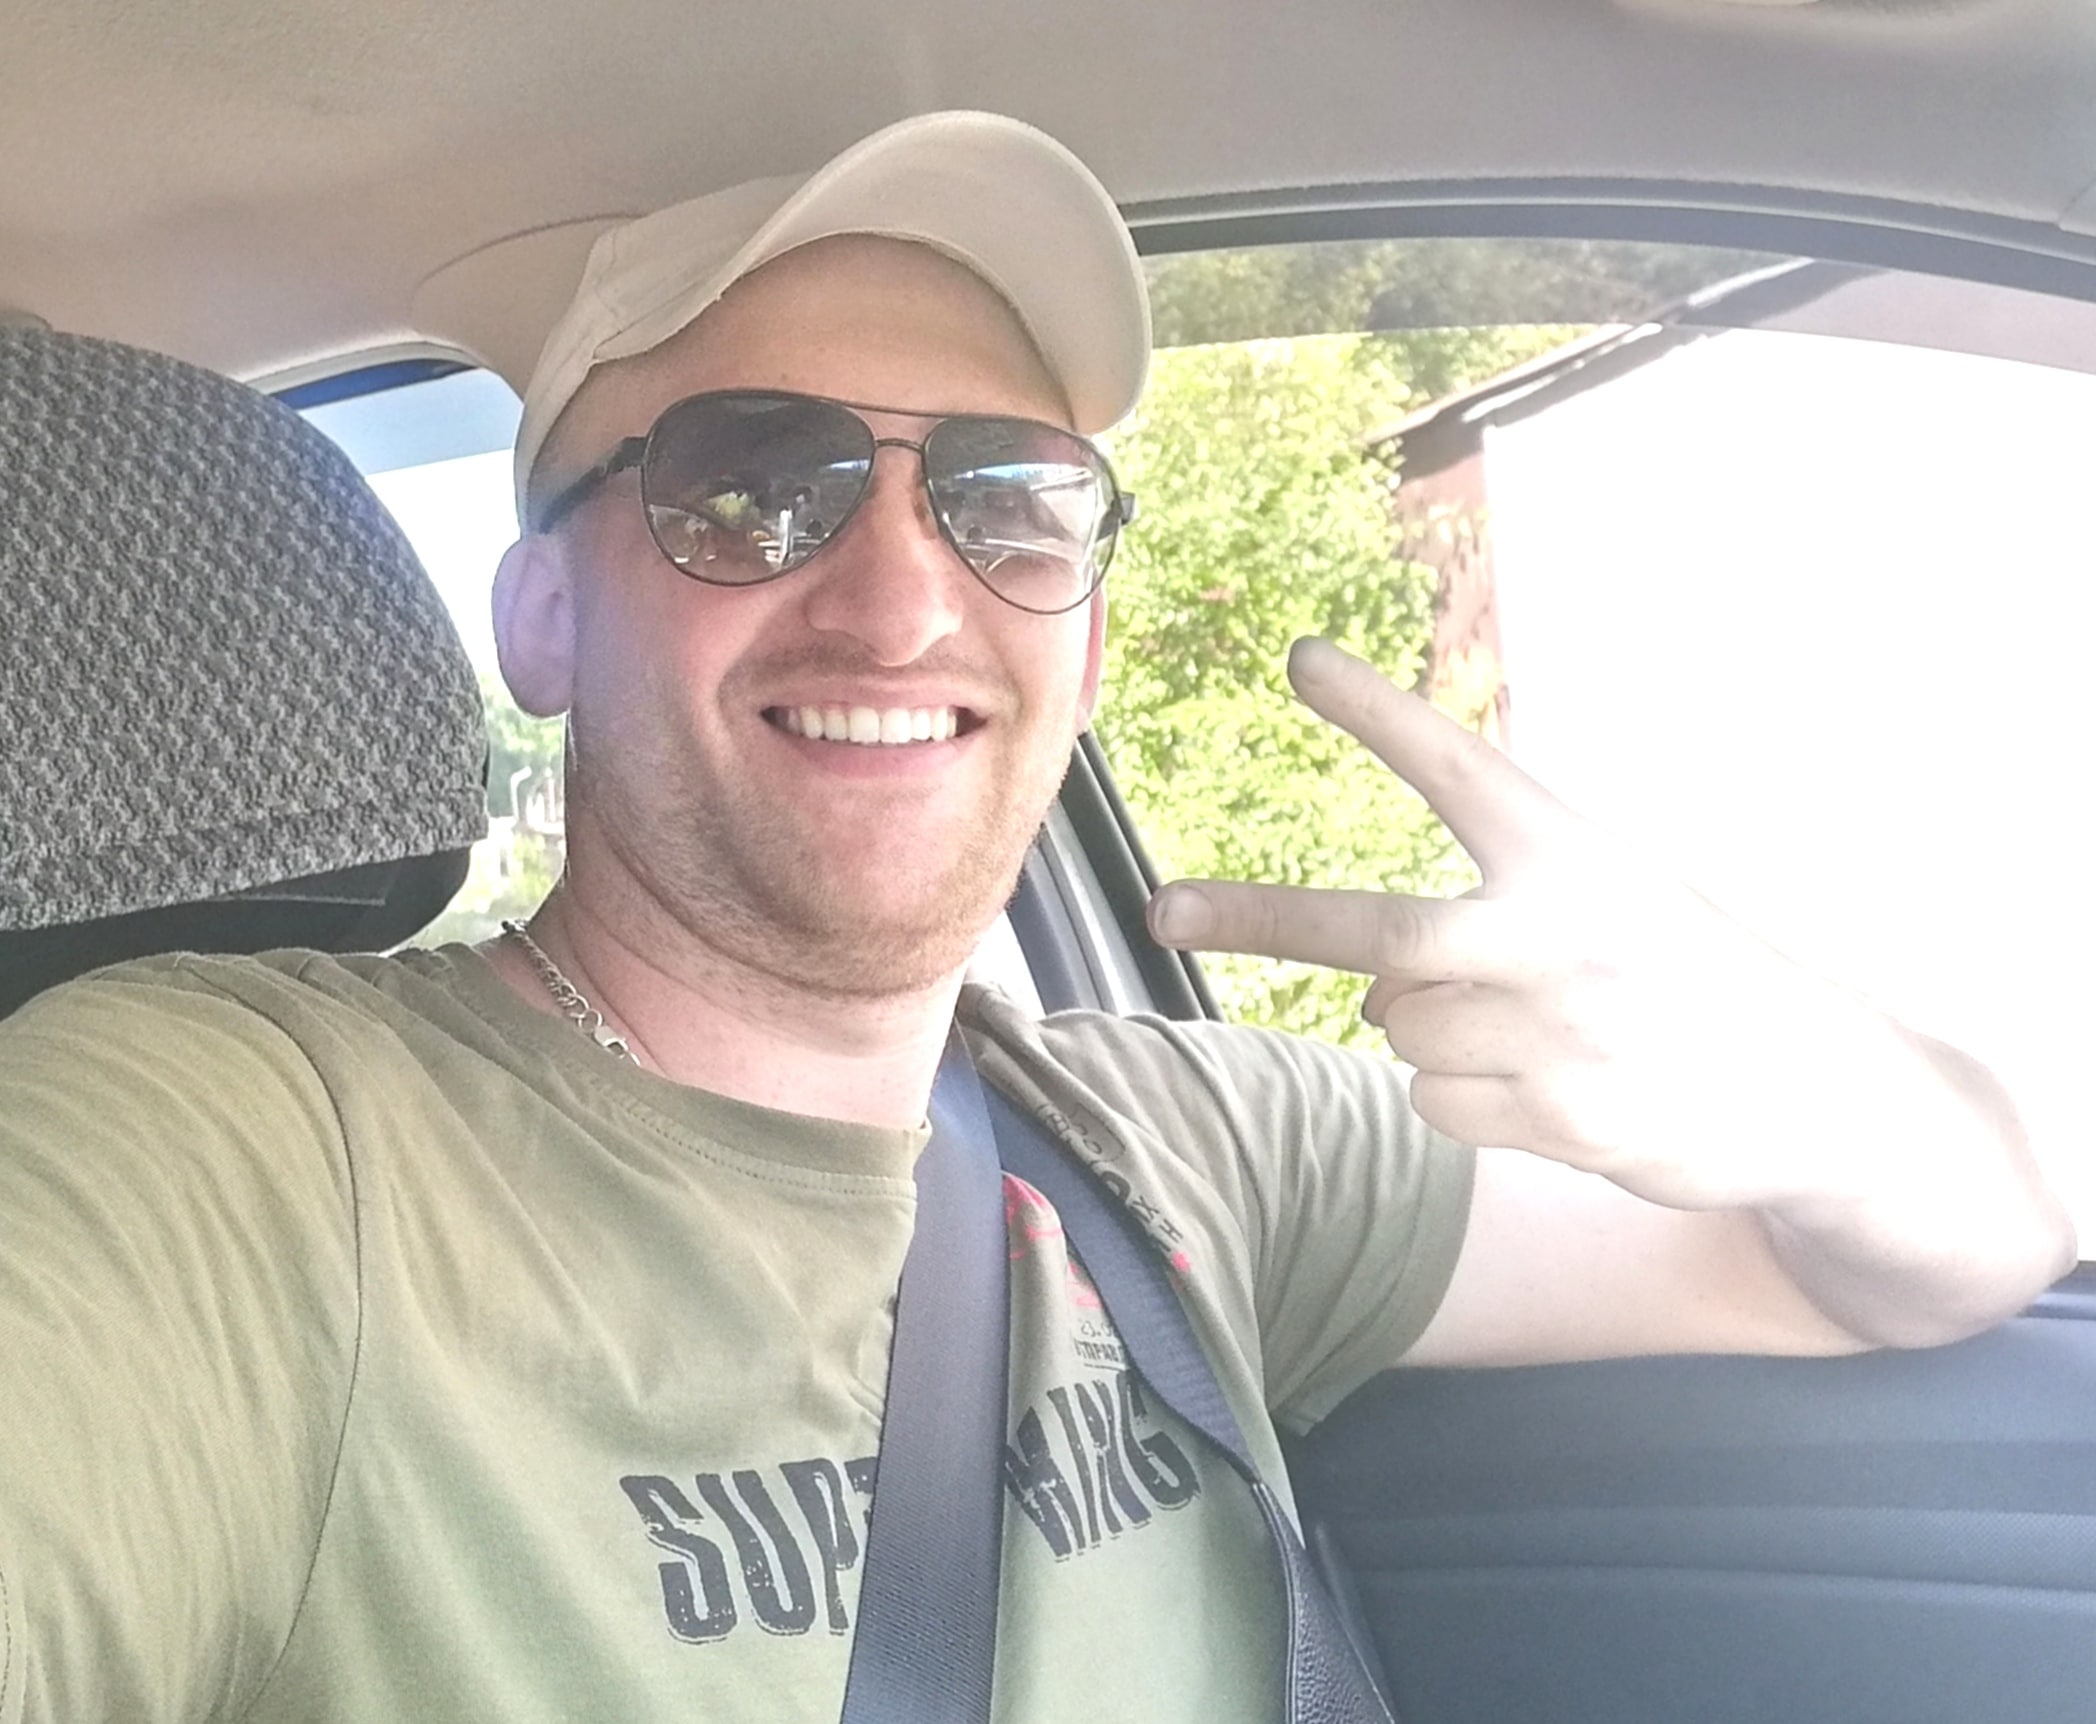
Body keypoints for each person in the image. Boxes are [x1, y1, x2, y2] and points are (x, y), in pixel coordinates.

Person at [0, 110, 2071, 1723]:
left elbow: (1939, 1259)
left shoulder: (1195, 1145)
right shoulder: (236, 1156)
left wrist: (1823, 1083)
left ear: (1080, 634)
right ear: (542, 612)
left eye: (1008, 498)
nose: (905, 596)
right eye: (753, 482)